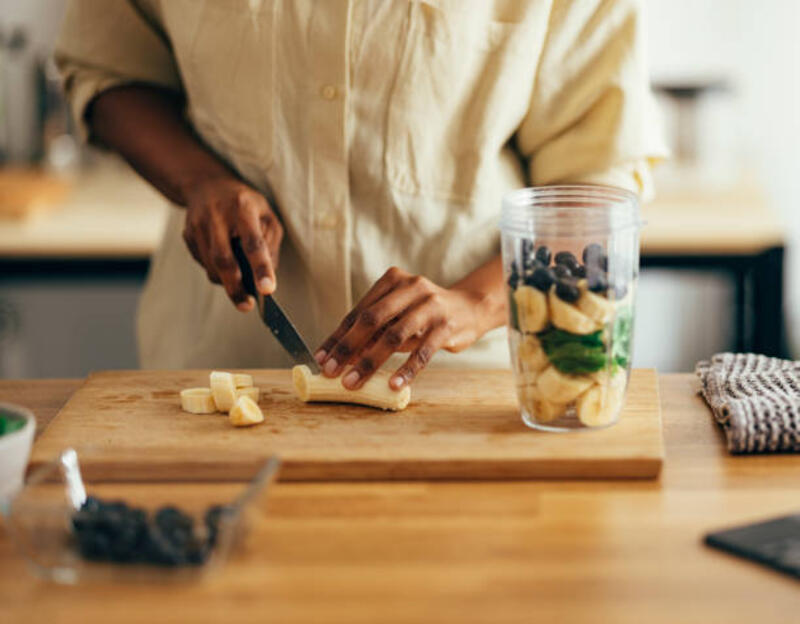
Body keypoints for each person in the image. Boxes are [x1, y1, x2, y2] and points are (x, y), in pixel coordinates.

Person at [55, 0, 665, 392]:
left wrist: (474, 302)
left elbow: (599, 183)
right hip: (220, 371)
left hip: (461, 395)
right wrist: (200, 181)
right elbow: (108, 72)